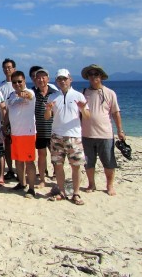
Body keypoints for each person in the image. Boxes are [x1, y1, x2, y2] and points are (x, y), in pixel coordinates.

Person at [45, 69, 90, 205]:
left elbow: (87, 117)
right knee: (58, 166)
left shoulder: (78, 96)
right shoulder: (53, 97)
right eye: (59, 79)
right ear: (56, 81)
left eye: (64, 78)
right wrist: (48, 109)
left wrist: (82, 109)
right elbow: (47, 117)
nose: (62, 81)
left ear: (70, 79)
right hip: (56, 136)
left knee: (76, 166)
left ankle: (76, 193)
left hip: (74, 136)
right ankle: (62, 192)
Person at [81, 64, 126, 196]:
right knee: (89, 162)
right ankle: (91, 184)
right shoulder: (84, 93)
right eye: (90, 74)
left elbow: (116, 113)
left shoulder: (110, 93)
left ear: (101, 76)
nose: (93, 77)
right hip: (87, 134)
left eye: (96, 74)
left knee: (108, 161)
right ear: (88, 77)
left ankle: (109, 185)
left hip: (105, 134)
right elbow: (79, 113)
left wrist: (120, 130)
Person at [4, 71, 36, 198]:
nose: (17, 84)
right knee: (17, 160)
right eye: (14, 82)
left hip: (27, 133)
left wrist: (25, 94)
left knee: (29, 161)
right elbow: (8, 112)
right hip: (15, 133)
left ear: (24, 81)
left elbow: (29, 96)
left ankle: (32, 188)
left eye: (19, 81)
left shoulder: (30, 92)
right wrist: (5, 125)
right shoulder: (11, 96)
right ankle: (22, 183)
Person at [32, 68, 57, 187]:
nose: (41, 80)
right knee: (41, 155)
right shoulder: (32, 93)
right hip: (39, 131)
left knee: (56, 155)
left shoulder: (55, 92)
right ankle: (42, 179)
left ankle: (57, 176)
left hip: (54, 130)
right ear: (35, 80)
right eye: (38, 77)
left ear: (48, 78)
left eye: (43, 77)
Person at [0, 58, 17, 180]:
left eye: (9, 67)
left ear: (14, 69)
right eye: (5, 67)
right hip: (5, 121)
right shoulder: (1, 86)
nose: (7, 69)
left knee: (18, 146)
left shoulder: (18, 84)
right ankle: (10, 170)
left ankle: (21, 171)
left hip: (18, 121)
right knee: (7, 148)